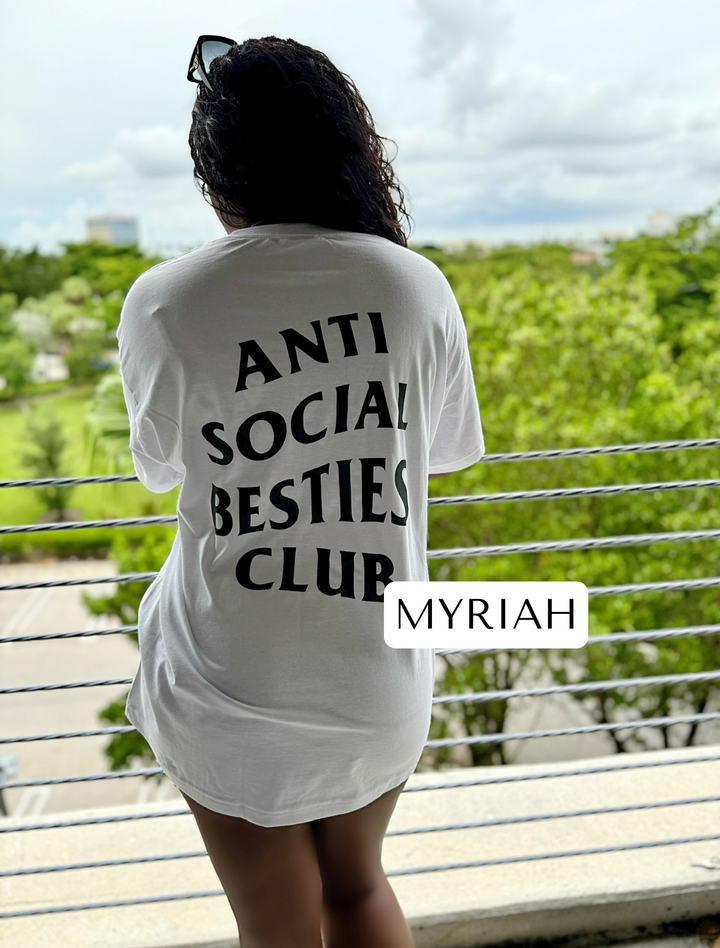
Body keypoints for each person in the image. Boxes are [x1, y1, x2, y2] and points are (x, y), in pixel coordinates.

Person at [117, 34, 484, 948]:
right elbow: (440, 453)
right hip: (376, 672)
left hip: (225, 680)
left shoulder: (164, 301)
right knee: (357, 892)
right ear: (346, 147)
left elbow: (160, 467)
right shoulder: (413, 286)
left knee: (275, 922)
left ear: (216, 167)